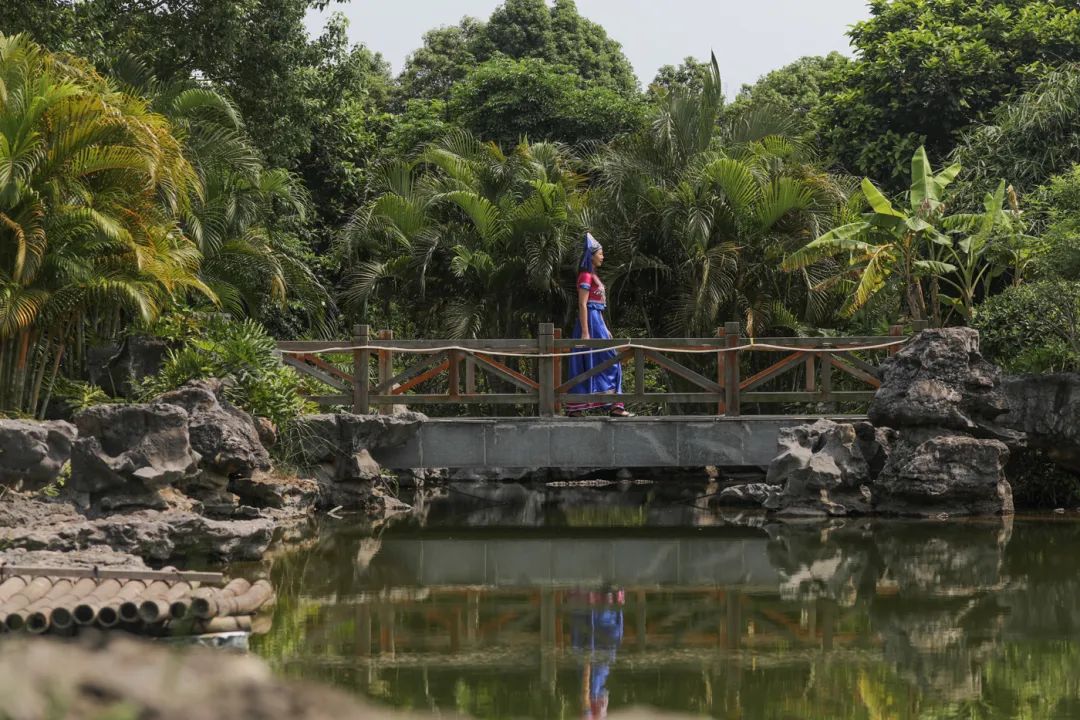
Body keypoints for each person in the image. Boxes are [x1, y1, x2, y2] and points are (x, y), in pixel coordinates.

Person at [566, 233, 633, 417]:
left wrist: (606, 328)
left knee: (610, 361)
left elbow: (597, 307)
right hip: (589, 324)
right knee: (596, 362)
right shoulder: (586, 276)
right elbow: (582, 304)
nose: (603, 256)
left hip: (597, 322)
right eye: (601, 253)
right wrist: (586, 332)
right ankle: (586, 406)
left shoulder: (593, 275)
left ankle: (612, 404)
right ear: (592, 255)